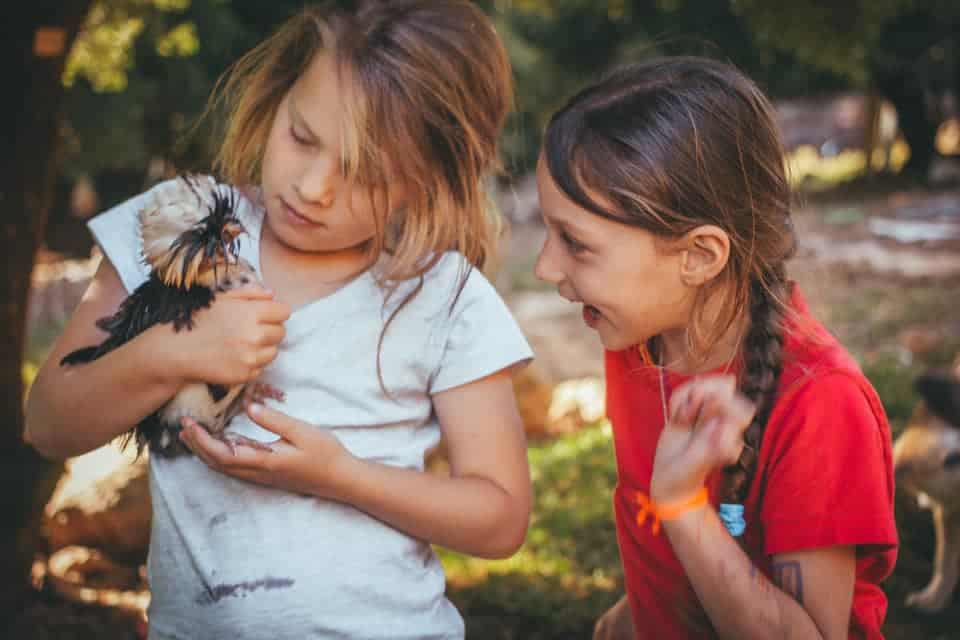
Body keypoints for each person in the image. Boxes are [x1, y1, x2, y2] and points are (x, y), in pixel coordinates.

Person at [25, 2, 533, 638]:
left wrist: (341, 476)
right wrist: (175, 350)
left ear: (430, 178)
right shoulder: (176, 226)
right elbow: (47, 423)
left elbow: (500, 518)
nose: (315, 187)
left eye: (365, 173)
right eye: (302, 136)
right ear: (277, 96)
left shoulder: (445, 294)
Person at [533, 57, 897, 639]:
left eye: (575, 243)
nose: (544, 266)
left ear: (700, 256)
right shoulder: (637, 344)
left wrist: (682, 506)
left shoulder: (822, 408)